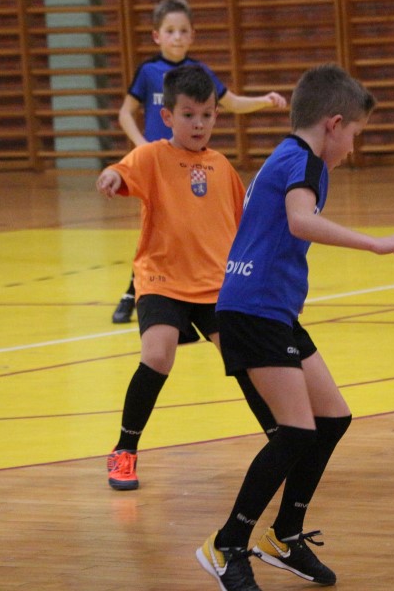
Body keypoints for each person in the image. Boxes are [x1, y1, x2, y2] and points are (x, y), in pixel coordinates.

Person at [195, 64, 394, 590]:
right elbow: (299, 220)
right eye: (356, 135)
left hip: (270, 310)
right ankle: (227, 546)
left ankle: (284, 536)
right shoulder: (306, 162)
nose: (354, 147)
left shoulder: (288, 154)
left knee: (332, 418)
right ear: (335, 124)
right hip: (254, 310)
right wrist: (376, 242)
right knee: (295, 432)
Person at [97, 64, 277, 492]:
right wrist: (111, 175)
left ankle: (281, 439)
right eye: (189, 114)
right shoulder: (153, 156)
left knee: (244, 361)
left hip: (216, 286)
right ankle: (124, 449)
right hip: (162, 280)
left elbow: (243, 226)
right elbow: (123, 170)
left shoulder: (221, 167)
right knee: (158, 355)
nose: (199, 124)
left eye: (208, 115)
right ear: (167, 117)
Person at [111, 0, 287, 325]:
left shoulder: (199, 73)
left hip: (189, 168)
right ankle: (132, 293)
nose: (176, 37)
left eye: (183, 31)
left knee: (183, 234)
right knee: (154, 234)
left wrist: (264, 101)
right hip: (157, 169)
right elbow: (125, 113)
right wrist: (140, 149)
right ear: (156, 36)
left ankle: (178, 293)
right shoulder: (149, 72)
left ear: (193, 35)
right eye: (170, 31)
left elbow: (230, 102)